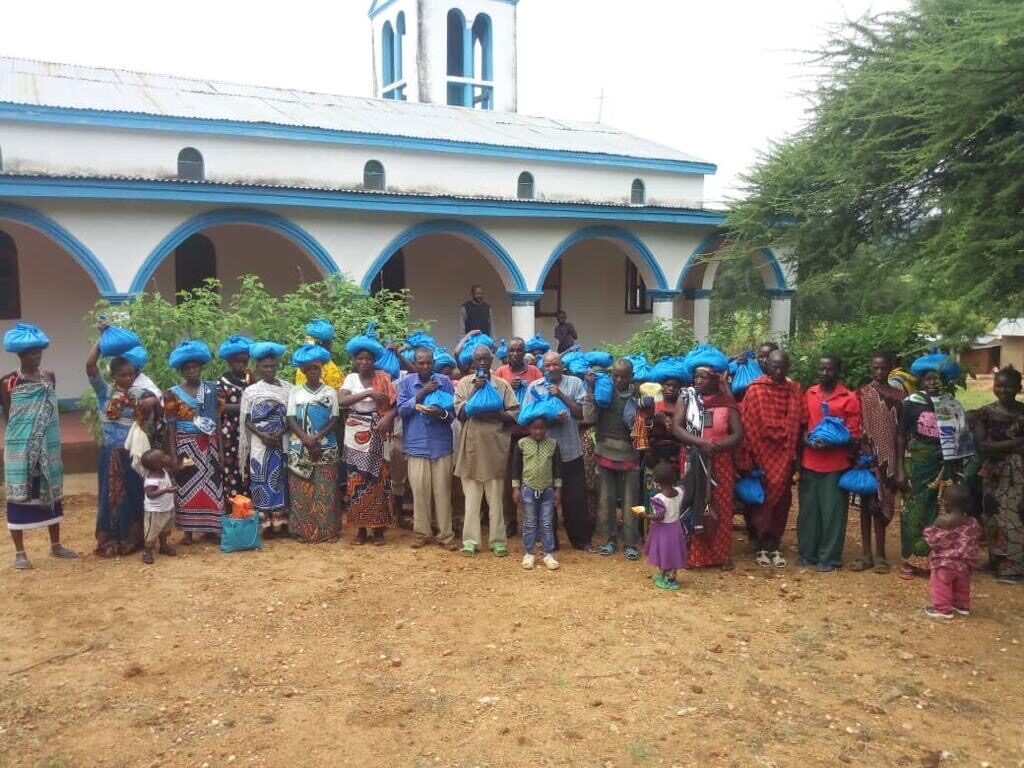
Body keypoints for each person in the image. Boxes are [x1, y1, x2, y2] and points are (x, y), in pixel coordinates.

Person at [2, 324, 77, 569]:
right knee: (19, 497)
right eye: (31, 353)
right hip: (20, 448)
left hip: (48, 446)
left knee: (52, 494)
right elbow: (10, 416)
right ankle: (20, 553)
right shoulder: (8, 381)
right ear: (20, 355)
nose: (36, 357)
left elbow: (50, 410)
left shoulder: (49, 377)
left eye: (38, 352)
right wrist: (23, 440)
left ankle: (56, 545)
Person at [86, 325, 158, 557]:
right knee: (110, 495)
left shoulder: (139, 394)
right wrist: (100, 340)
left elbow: (158, 399)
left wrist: (153, 402)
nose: (127, 378)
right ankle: (111, 539)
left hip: (132, 454)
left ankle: (132, 538)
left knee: (133, 495)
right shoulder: (104, 393)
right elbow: (89, 367)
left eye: (130, 374)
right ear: (113, 376)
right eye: (123, 375)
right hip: (110, 453)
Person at [895, 353, 969, 579]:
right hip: (917, 465)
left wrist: (959, 469)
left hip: (945, 465)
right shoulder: (910, 404)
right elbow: (900, 436)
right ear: (921, 380)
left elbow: (962, 438)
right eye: (928, 378)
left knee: (941, 510)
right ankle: (910, 559)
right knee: (913, 511)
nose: (933, 383)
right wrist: (899, 469)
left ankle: (938, 560)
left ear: (945, 380)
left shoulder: (952, 404)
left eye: (937, 378)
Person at [672, 363, 743, 571]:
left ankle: (720, 555)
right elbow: (677, 427)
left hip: (719, 461)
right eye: (696, 376)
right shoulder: (687, 396)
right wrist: (700, 442)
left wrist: (716, 445)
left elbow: (738, 433)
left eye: (704, 377)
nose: (698, 380)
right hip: (694, 457)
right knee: (692, 501)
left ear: (716, 379)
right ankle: (694, 555)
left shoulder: (726, 402)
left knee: (719, 505)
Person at [737, 350, 803, 568]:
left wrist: (793, 459)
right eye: (774, 366)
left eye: (782, 367)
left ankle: (775, 542)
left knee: (782, 502)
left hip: (784, 457)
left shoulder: (794, 390)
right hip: (760, 456)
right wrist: (750, 458)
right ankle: (762, 543)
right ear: (766, 365)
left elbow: (796, 425)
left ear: (788, 368)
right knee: (760, 500)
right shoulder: (756, 390)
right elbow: (748, 425)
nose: (778, 371)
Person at [455, 345, 520, 556]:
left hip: (495, 448)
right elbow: (461, 415)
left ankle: (498, 540)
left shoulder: (501, 385)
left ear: (492, 361)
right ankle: (471, 541)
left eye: (485, 359)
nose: (482, 363)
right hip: (471, 448)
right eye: (478, 360)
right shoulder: (465, 384)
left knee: (495, 500)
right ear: (473, 363)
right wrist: (476, 391)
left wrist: (495, 412)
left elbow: (514, 414)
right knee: (472, 500)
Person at [798, 354, 861, 572]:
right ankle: (807, 553)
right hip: (809, 461)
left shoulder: (849, 398)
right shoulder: (810, 393)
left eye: (830, 369)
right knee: (808, 512)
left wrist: (834, 443)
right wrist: (806, 438)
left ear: (837, 371)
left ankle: (829, 557)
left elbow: (853, 434)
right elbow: (803, 424)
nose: (825, 373)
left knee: (832, 514)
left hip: (835, 464)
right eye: (822, 369)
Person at [523, 352, 589, 549]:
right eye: (548, 365)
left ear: (562, 365)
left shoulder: (575, 383)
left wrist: (560, 395)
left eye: (555, 364)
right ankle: (549, 541)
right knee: (545, 499)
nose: (552, 368)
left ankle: (580, 540)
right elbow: (527, 419)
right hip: (545, 454)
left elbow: (580, 413)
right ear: (543, 367)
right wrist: (550, 418)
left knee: (575, 499)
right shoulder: (534, 387)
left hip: (570, 451)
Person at [162, 340, 224, 545]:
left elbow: (216, 421)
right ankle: (188, 532)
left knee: (212, 486)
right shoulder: (172, 393)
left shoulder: (211, 390)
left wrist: (221, 451)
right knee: (186, 486)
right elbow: (171, 425)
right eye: (187, 368)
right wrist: (173, 455)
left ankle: (213, 528)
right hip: (185, 444)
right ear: (181, 370)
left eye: (194, 367)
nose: (191, 370)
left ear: (200, 367)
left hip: (209, 445)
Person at [397, 347, 459, 550]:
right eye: (420, 363)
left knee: (443, 492)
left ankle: (445, 535)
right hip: (416, 446)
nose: (425, 366)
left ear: (433, 363)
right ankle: (422, 533)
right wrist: (421, 394)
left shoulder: (445, 382)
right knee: (420, 493)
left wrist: (439, 413)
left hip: (441, 445)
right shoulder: (406, 383)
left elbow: (452, 414)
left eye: (428, 362)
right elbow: (402, 410)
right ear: (414, 364)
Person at [850, 351, 905, 574]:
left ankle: (881, 555)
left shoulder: (900, 396)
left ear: (891, 367)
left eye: (884, 368)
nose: (879, 372)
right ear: (870, 368)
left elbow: (902, 431)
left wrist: (900, 462)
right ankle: (866, 554)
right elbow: (856, 423)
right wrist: (859, 453)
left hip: (889, 458)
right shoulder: (862, 393)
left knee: (883, 506)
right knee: (866, 505)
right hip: (866, 456)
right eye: (876, 368)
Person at [584, 359, 644, 560]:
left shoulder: (639, 395)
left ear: (631, 377)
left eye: (623, 376)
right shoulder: (604, 394)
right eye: (615, 375)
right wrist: (591, 391)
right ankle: (609, 539)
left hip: (630, 454)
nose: (618, 379)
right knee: (605, 500)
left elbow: (644, 425)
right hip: (605, 452)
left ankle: (630, 542)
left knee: (631, 502)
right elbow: (589, 417)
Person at [339, 348, 397, 545]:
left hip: (379, 427)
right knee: (356, 479)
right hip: (355, 431)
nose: (363, 362)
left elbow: (396, 403)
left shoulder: (384, 377)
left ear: (374, 361)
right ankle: (361, 529)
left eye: (368, 358)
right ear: (355, 360)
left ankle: (379, 529)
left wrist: (388, 417)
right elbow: (342, 401)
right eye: (360, 358)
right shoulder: (351, 379)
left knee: (379, 478)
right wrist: (369, 393)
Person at [973, 367, 1024, 584]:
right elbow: (983, 446)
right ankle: (995, 559)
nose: (1003, 390)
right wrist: (1016, 444)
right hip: (993, 472)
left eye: (1008, 386)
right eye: (999, 385)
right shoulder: (984, 413)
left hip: (1019, 473)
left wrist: (1003, 447)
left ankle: (1012, 566)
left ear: (1019, 388)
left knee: (1014, 517)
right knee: (991, 515)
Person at [286, 344, 342, 543]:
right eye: (308, 368)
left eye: (316, 368)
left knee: (325, 489)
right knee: (301, 491)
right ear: (302, 370)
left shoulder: (330, 392)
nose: (312, 372)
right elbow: (291, 418)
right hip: (300, 447)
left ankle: (328, 532)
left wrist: (316, 438)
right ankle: (305, 532)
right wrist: (306, 438)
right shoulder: (295, 392)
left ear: (321, 369)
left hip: (326, 446)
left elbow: (335, 418)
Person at [239, 342, 291, 535]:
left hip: (281, 439)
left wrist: (279, 433)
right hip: (260, 441)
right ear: (258, 368)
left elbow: (292, 416)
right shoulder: (251, 391)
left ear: (277, 366)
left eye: (272, 366)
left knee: (281, 479)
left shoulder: (288, 388)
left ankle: (281, 523)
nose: (269, 369)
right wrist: (262, 435)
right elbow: (246, 419)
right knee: (261, 479)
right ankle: (266, 524)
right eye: (265, 366)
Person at [495, 337, 544, 537]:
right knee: (508, 480)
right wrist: (508, 386)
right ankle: (510, 521)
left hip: (531, 435)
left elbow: (542, 396)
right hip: (508, 434)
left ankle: (532, 522)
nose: (514, 354)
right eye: (511, 351)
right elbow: (493, 401)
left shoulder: (534, 372)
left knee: (533, 478)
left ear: (525, 353)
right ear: (506, 353)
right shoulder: (500, 373)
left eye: (518, 350)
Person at [922, 484, 982, 618]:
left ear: (946, 503)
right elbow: (976, 536)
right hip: (964, 565)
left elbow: (932, 540)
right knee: (962, 586)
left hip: (944, 564)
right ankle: (962, 605)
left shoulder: (941, 521)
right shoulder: (972, 522)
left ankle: (942, 609)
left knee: (941, 584)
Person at [511, 416, 562, 570]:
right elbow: (515, 468)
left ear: (546, 428)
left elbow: (558, 468)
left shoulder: (553, 444)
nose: (538, 431)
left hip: (547, 490)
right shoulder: (522, 444)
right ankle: (529, 553)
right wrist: (516, 488)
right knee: (529, 523)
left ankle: (548, 553)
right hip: (528, 489)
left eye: (541, 428)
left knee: (547, 523)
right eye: (535, 428)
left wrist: (558, 489)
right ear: (528, 429)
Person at [217, 335, 254, 505]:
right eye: (237, 362)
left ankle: (250, 509)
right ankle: (234, 510)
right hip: (230, 434)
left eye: (244, 362)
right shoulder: (221, 382)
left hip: (250, 432)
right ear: (229, 362)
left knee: (249, 469)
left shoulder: (250, 381)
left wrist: (254, 382)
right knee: (232, 470)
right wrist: (245, 406)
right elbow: (221, 408)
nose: (241, 365)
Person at [643, 462, 688, 590]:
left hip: (663, 531)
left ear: (657, 481)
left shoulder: (659, 498)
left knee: (664, 553)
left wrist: (646, 516)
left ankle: (669, 580)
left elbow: (660, 516)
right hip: (676, 528)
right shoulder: (680, 492)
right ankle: (668, 576)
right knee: (672, 554)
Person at [141, 448, 178, 564]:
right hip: (155, 511)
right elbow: (150, 494)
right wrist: (165, 490)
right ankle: (147, 551)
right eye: (163, 457)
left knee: (164, 529)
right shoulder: (152, 480)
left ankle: (163, 546)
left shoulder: (164, 471)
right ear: (156, 464)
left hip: (167, 508)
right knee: (152, 532)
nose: (166, 457)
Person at [294, 319, 344, 390]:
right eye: (329, 343)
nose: (331, 346)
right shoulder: (308, 367)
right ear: (321, 344)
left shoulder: (327, 362)